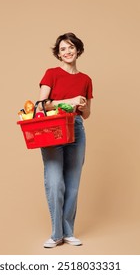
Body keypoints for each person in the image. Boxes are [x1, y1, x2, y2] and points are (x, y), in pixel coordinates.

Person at [38, 32, 93, 248]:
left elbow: (87, 114)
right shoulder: (51, 74)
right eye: (62, 49)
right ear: (58, 55)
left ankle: (68, 232)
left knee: (73, 185)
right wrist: (68, 101)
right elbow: (41, 105)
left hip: (76, 129)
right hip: (52, 128)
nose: (67, 52)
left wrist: (83, 107)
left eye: (70, 47)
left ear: (77, 50)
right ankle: (56, 234)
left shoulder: (86, 79)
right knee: (55, 183)